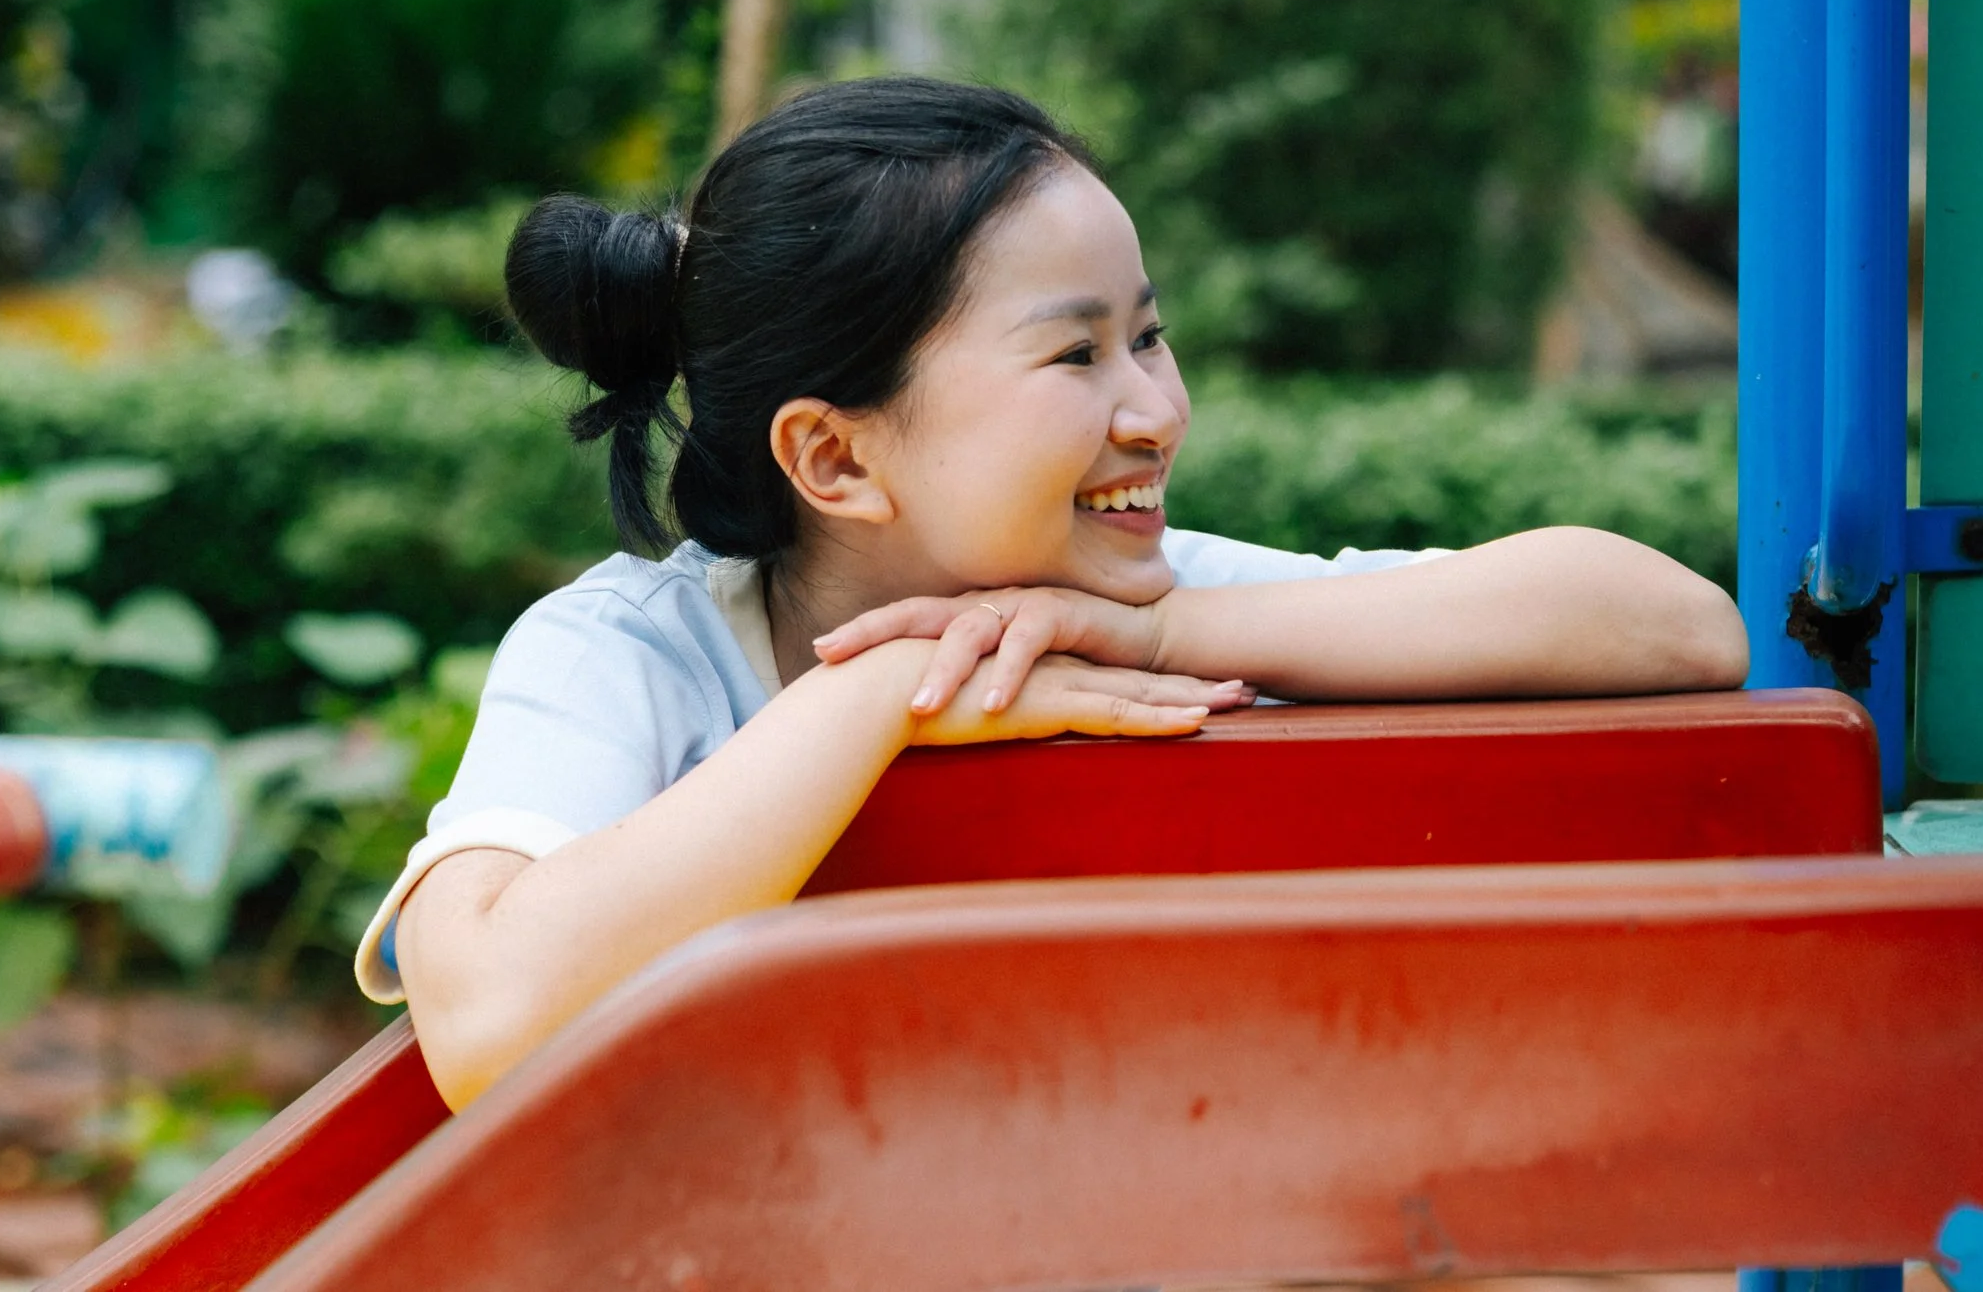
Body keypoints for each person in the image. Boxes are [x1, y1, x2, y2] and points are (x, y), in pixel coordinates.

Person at [359, 77, 1747, 1109]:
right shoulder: (634, 657)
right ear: (835, 454)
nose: (1159, 407)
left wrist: (1163, 628)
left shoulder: (1145, 605)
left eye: (1147, 331)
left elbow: (1680, 628)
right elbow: (489, 1016)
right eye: (1076, 356)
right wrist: (891, 692)